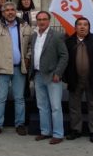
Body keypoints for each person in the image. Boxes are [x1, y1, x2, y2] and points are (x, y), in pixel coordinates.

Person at [0, 2, 32, 137]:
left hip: (19, 68)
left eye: (12, 10)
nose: (10, 12)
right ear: (3, 12)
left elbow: (30, 45)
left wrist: (28, 57)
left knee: (19, 98)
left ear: (16, 11)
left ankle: (20, 124)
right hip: (2, 69)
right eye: (7, 10)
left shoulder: (25, 26)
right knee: (0, 98)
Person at [64, 17, 93, 143]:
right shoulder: (69, 42)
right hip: (75, 80)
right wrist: (66, 76)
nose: (82, 27)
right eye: (79, 24)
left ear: (89, 27)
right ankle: (76, 130)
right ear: (75, 27)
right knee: (74, 106)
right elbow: (63, 59)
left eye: (85, 24)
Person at [29, 11, 68, 145]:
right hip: (38, 75)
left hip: (52, 76)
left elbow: (64, 56)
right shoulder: (34, 36)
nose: (41, 22)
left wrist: (58, 72)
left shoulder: (56, 36)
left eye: (44, 19)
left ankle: (58, 134)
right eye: (39, 19)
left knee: (56, 106)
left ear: (49, 21)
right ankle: (45, 131)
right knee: (42, 106)